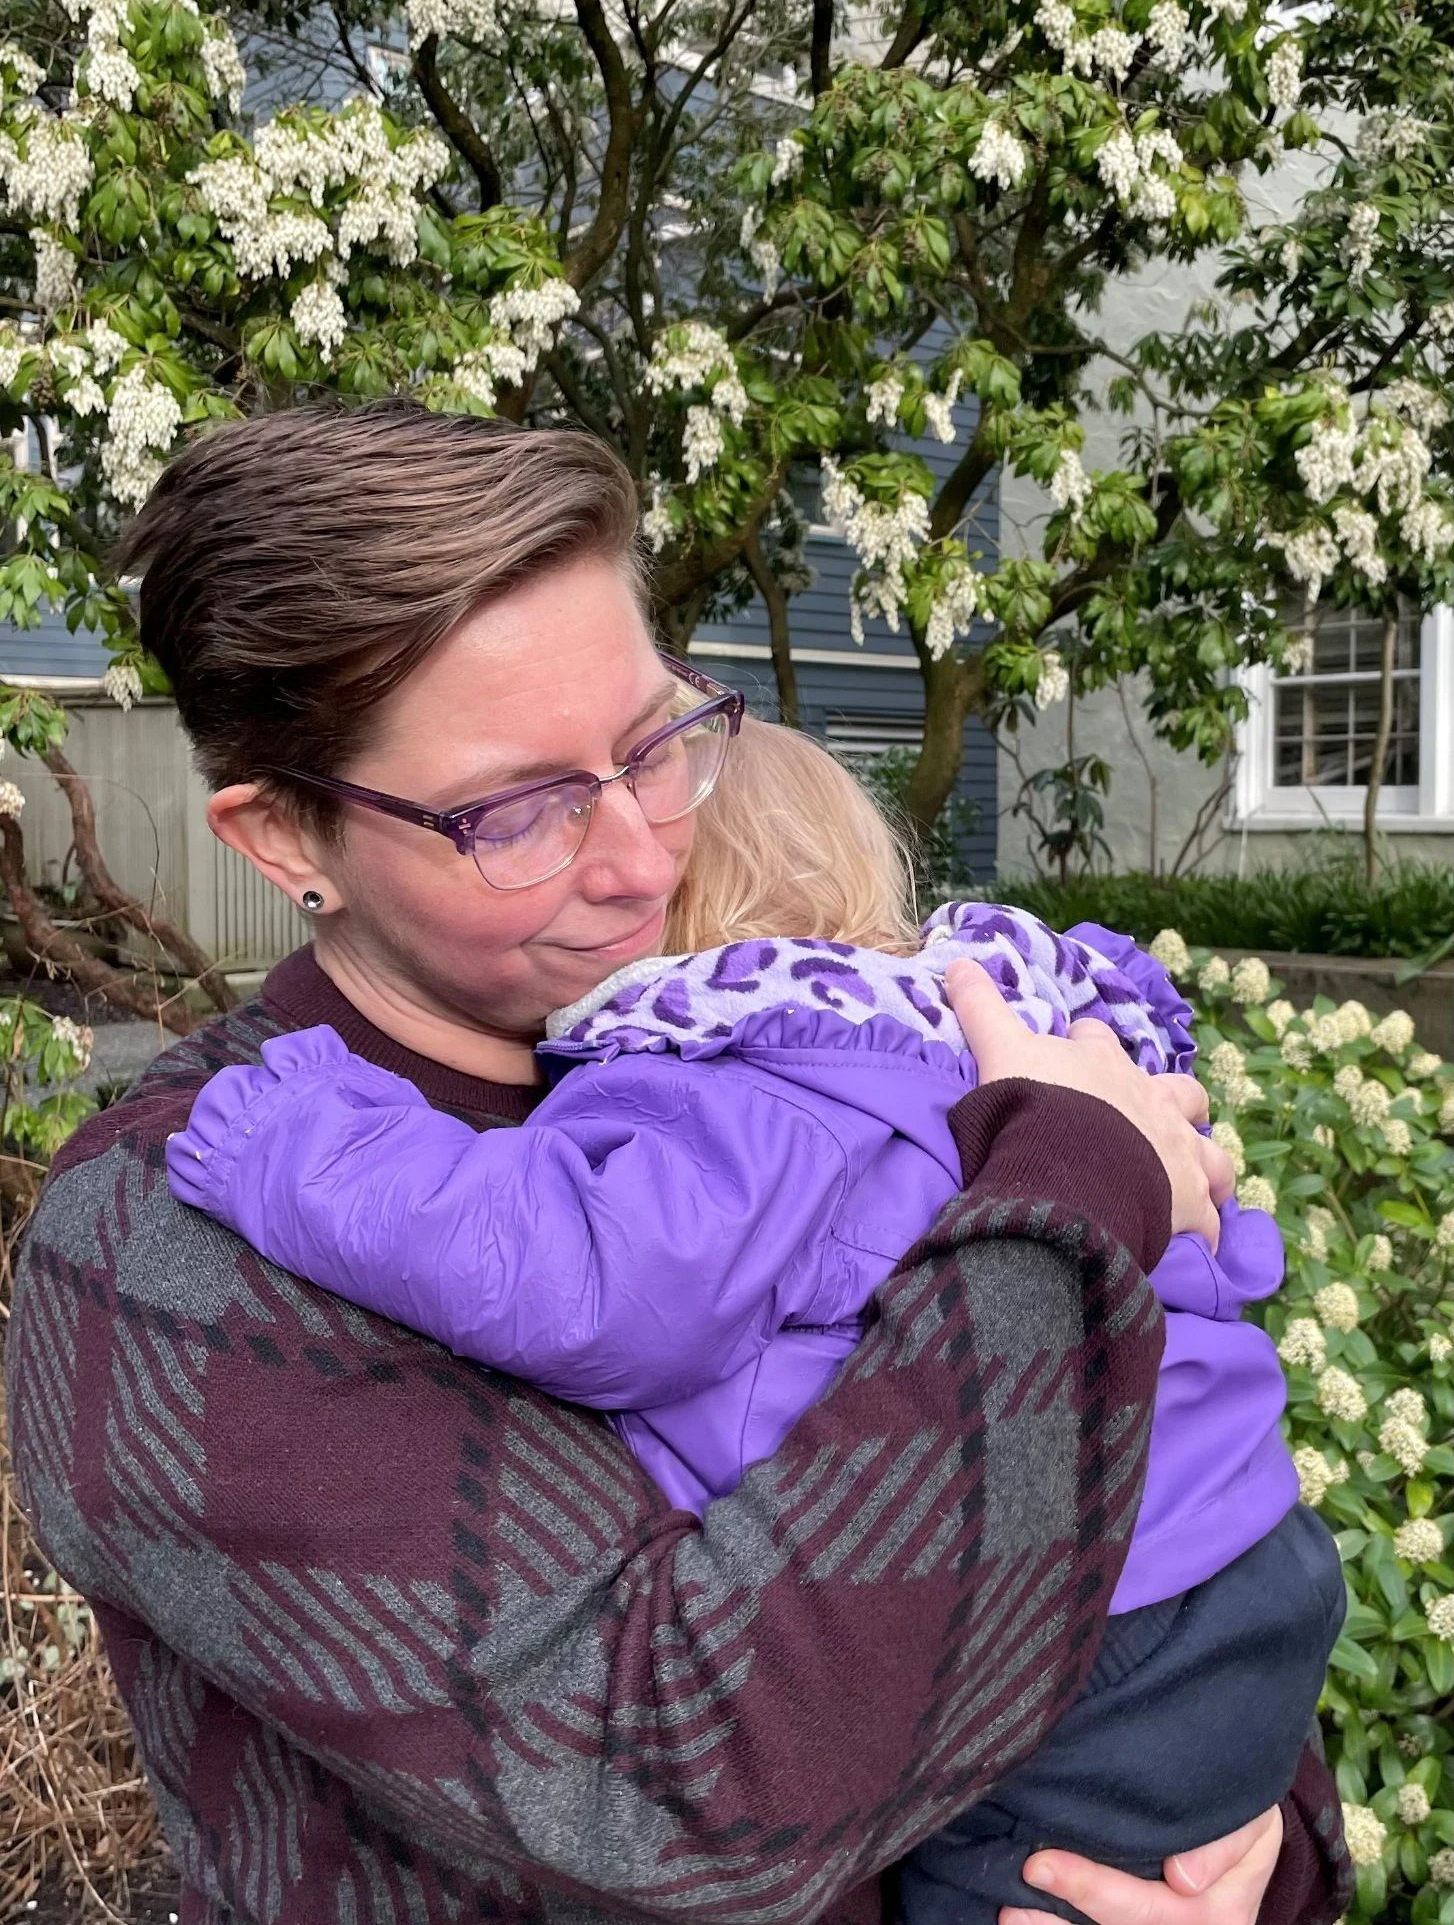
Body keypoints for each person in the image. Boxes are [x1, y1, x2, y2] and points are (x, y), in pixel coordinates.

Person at [3, 405, 1350, 1925]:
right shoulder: (170, 1240)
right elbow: (689, 1790)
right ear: (282, 839)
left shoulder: (792, 1040)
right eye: (514, 810)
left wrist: (1238, 1855)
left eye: (653, 747)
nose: (642, 860)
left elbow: (1157, 1528)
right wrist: (1064, 1190)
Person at [166, 715, 1346, 1925]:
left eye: (648, 780)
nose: (612, 856)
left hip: (1073, 1625)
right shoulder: (1004, 1041)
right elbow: (1220, 1254)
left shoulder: (736, 1078)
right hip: (1245, 1550)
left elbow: (574, 1274)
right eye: (516, 811)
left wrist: (292, 1136)